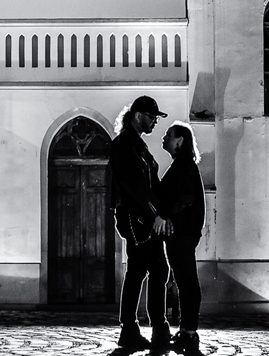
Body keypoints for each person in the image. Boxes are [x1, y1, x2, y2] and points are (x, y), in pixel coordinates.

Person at [109, 95, 172, 349]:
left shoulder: (138, 145)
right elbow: (135, 186)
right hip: (136, 217)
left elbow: (150, 184)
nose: (155, 122)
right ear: (137, 116)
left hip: (144, 216)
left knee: (151, 270)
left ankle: (148, 327)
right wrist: (154, 212)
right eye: (152, 117)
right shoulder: (124, 145)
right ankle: (136, 328)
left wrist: (162, 210)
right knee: (142, 271)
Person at [158, 121, 205, 355]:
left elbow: (185, 198)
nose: (163, 138)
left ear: (180, 141)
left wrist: (166, 216)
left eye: (168, 135)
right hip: (182, 233)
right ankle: (187, 331)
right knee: (185, 281)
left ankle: (188, 332)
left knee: (187, 282)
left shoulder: (183, 165)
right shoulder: (182, 164)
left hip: (181, 234)